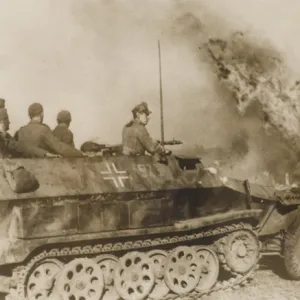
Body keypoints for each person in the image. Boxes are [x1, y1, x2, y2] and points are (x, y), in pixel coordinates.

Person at [15, 103, 83, 157]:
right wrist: (80, 153)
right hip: (43, 167)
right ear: (42, 114)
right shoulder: (44, 130)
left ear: (29, 115)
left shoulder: (20, 131)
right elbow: (59, 148)